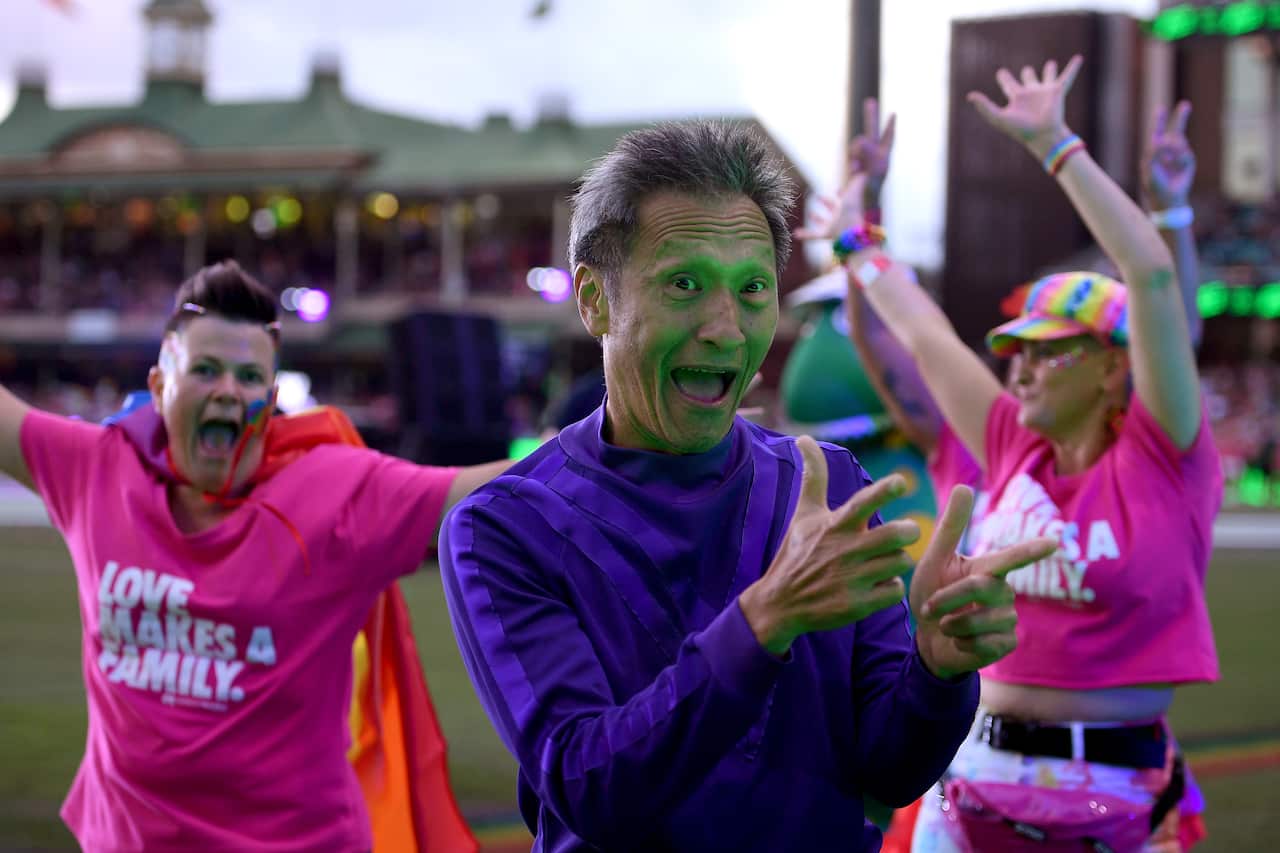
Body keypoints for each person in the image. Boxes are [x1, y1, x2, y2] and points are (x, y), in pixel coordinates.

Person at [439, 120, 1057, 852]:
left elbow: (890, 771)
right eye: (685, 284)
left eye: (753, 288)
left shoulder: (825, 486)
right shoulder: (505, 526)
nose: (727, 329)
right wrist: (764, 621)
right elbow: (591, 788)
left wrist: (938, 667)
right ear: (595, 299)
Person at [815, 56, 1219, 852]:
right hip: (969, 780)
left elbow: (1149, 276)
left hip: (1114, 797)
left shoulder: (1163, 457)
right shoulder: (1008, 441)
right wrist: (855, 240)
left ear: (1114, 366)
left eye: (1049, 349)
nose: (1021, 368)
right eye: (1016, 350)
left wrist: (1056, 144)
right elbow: (923, 334)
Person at [0, 260, 507, 851]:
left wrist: (598, 436)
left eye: (248, 377)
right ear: (160, 387)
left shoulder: (338, 491)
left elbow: (494, 491)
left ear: (270, 400)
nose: (227, 390)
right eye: (205, 370)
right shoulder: (94, 468)